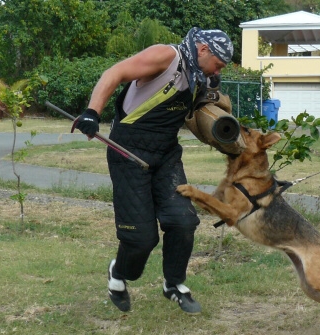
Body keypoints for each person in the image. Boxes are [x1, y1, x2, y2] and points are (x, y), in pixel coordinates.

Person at [73, 27, 233, 314]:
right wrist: (92, 112)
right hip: (129, 152)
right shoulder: (166, 56)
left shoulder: (201, 77)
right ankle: (118, 274)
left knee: (183, 221)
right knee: (141, 239)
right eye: (219, 63)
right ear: (203, 50)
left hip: (166, 155)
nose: (218, 70)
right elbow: (114, 72)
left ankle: (174, 285)